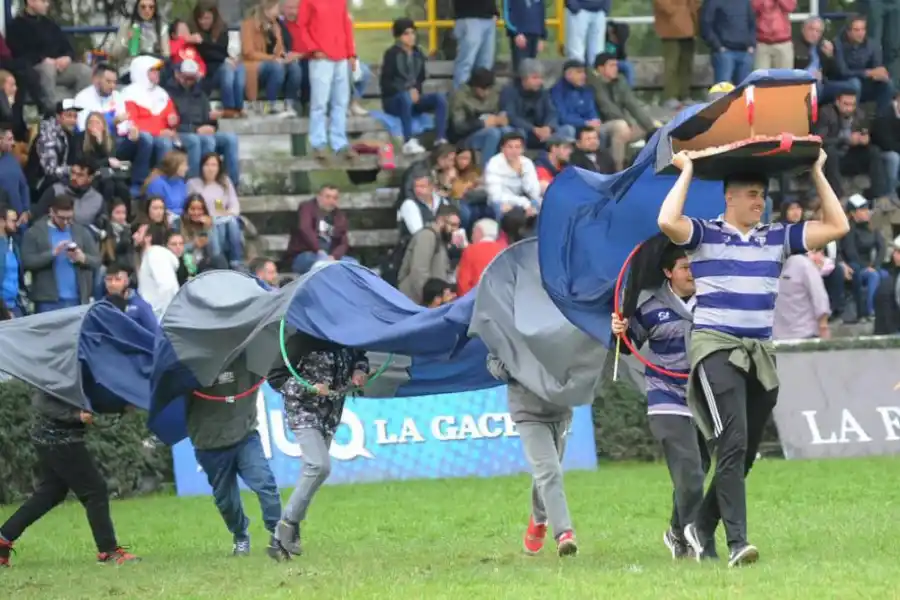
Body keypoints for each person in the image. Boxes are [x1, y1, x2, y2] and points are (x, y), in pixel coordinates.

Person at [656, 149, 849, 566]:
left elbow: (838, 225)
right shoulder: (704, 234)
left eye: (762, 194)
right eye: (751, 194)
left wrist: (817, 171)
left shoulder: (777, 236)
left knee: (743, 455)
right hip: (716, 349)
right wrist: (687, 171)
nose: (759, 201)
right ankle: (737, 543)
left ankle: (699, 526)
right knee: (732, 442)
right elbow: (667, 221)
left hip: (760, 353)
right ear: (729, 198)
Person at [610, 240, 715, 560]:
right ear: (668, 272)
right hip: (666, 398)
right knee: (691, 474)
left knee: (700, 468)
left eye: (695, 266)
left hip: (704, 397)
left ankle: (675, 531)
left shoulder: (712, 304)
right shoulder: (650, 309)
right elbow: (627, 346)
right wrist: (618, 330)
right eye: (685, 267)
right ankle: (701, 544)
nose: (692, 273)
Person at [0, 388, 139, 567]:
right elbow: (41, 400)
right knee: (95, 490)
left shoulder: (73, 367)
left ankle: (3, 538)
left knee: (51, 492)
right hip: (59, 439)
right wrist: (75, 415)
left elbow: (86, 397)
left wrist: (121, 404)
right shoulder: (57, 367)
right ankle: (108, 551)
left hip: (52, 438)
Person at [267, 332, 369, 558]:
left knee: (313, 471)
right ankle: (286, 527)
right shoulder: (300, 339)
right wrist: (310, 387)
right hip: (303, 411)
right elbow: (276, 377)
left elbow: (360, 356)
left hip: (331, 413)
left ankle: (281, 539)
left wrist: (360, 370)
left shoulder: (347, 334)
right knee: (319, 466)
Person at [188, 353, 283, 558]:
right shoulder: (190, 362)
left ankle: (279, 535)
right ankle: (240, 536)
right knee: (226, 501)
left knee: (265, 483)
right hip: (209, 443)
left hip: (245, 437)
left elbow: (274, 364)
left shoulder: (249, 356)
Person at [484, 352, 578, 557]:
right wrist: (516, 364)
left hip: (561, 409)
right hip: (527, 412)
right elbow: (494, 364)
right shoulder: (505, 325)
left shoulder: (558, 323)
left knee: (547, 471)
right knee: (549, 471)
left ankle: (538, 518)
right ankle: (564, 534)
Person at [295, 0, 358, 162]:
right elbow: (302, 26)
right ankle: (318, 143)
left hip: (341, 56)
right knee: (319, 103)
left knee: (341, 102)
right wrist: (313, 49)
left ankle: (340, 142)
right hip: (321, 58)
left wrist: (351, 53)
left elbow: (346, 25)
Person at [21, 194, 100, 313]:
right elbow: (26, 262)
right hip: (47, 301)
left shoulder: (81, 232)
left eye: (69, 218)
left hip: (77, 300)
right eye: (61, 218)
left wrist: (82, 258)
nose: (66, 222)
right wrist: (52, 253)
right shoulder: (34, 233)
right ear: (51, 212)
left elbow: (97, 261)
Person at [381, 19, 448, 155]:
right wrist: (406, 91)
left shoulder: (418, 54)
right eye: (406, 34)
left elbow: (420, 79)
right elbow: (386, 83)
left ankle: (440, 138)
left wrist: (416, 90)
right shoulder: (391, 54)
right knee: (405, 97)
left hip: (414, 98)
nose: (411, 37)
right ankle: (408, 142)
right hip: (395, 101)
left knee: (439, 98)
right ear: (399, 36)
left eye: (413, 33)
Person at [5, 0, 92, 104]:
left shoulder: (50, 24)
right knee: (48, 69)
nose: (47, 4)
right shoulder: (16, 26)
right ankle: (51, 112)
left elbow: (67, 46)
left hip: (59, 67)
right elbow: (18, 53)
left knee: (84, 71)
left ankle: (78, 110)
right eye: (43, 1)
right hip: (35, 67)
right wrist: (42, 59)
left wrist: (67, 57)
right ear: (30, 2)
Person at [500, 59, 575, 149]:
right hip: (524, 131)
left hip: (543, 133)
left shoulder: (543, 91)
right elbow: (511, 117)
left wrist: (548, 127)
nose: (540, 82)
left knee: (568, 130)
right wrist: (533, 129)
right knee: (513, 133)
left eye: (541, 78)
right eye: (535, 78)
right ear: (523, 79)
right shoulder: (509, 91)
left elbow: (552, 112)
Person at [240, 0, 296, 116]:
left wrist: (283, 55)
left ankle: (289, 104)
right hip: (255, 64)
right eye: (275, 9)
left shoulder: (276, 25)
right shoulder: (249, 24)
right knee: (277, 68)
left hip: (273, 61)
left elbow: (279, 50)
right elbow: (248, 52)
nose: (277, 13)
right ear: (266, 10)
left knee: (295, 68)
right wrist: (271, 58)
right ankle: (271, 104)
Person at [187, 152, 243, 268]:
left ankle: (235, 261)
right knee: (213, 225)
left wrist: (227, 213)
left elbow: (232, 204)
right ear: (202, 167)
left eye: (214, 165)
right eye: (207, 165)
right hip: (202, 221)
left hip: (221, 219)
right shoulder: (194, 184)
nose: (210, 169)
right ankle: (219, 261)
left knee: (232, 221)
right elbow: (190, 205)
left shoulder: (224, 182)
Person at [283, 185, 354, 275]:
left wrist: (334, 256)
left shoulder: (339, 216)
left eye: (335, 198)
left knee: (353, 264)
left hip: (331, 257)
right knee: (322, 266)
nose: (331, 201)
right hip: (305, 255)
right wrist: (319, 250)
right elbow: (305, 228)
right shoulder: (307, 208)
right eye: (327, 197)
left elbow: (343, 242)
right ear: (319, 197)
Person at [449, 68, 512, 168]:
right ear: (474, 87)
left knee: (508, 131)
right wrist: (482, 123)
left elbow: (505, 104)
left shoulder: (495, 91)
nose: (486, 93)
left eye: (489, 89)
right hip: (467, 136)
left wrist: (502, 115)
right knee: (493, 133)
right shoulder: (461, 96)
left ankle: (511, 166)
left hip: (493, 126)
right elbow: (459, 126)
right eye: (483, 89)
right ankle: (486, 169)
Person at [398, 204, 460, 304]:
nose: (455, 230)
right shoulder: (427, 236)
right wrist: (429, 302)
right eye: (452, 225)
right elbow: (419, 271)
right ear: (440, 220)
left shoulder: (440, 239)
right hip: (417, 302)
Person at [192, 1, 246, 118]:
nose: (203, 22)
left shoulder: (222, 31)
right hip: (210, 73)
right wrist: (225, 59)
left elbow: (223, 49)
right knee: (227, 70)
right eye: (200, 18)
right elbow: (206, 52)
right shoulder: (196, 34)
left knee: (239, 68)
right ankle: (229, 108)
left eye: (207, 18)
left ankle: (239, 107)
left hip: (225, 65)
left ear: (214, 17)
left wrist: (230, 58)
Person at [653, 0, 701, 108]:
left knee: (686, 65)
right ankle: (670, 97)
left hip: (690, 27)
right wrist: (680, 9)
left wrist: (694, 13)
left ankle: (685, 95)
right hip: (670, 29)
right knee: (671, 65)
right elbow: (664, 5)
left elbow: (695, 4)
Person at [105, 0, 169, 79]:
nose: (147, 10)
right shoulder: (127, 25)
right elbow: (115, 55)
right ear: (137, 8)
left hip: (154, 70)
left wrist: (155, 68)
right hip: (130, 69)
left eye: (151, 7)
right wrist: (126, 40)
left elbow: (166, 56)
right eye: (143, 7)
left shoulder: (161, 27)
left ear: (155, 9)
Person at [700, 0, 756, 86]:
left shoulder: (745, 1)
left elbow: (752, 23)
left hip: (745, 52)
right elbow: (706, 25)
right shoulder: (713, 2)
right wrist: (718, 46)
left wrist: (751, 44)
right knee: (723, 91)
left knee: (745, 90)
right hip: (724, 53)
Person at [103, 262, 158, 332]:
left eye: (117, 279)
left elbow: (155, 333)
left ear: (127, 281)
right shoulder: (100, 306)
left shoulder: (140, 306)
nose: (113, 284)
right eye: (109, 279)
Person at [564, 0, 609, 67]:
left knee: (598, 53)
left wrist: (606, 5)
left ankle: (595, 76)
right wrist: (572, 4)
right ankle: (577, 75)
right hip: (578, 9)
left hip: (600, 10)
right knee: (576, 53)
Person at [504, 0, 546, 71]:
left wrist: (542, 37)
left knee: (532, 70)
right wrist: (516, 33)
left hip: (535, 34)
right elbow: (507, 12)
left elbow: (542, 13)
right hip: (520, 36)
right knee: (521, 69)